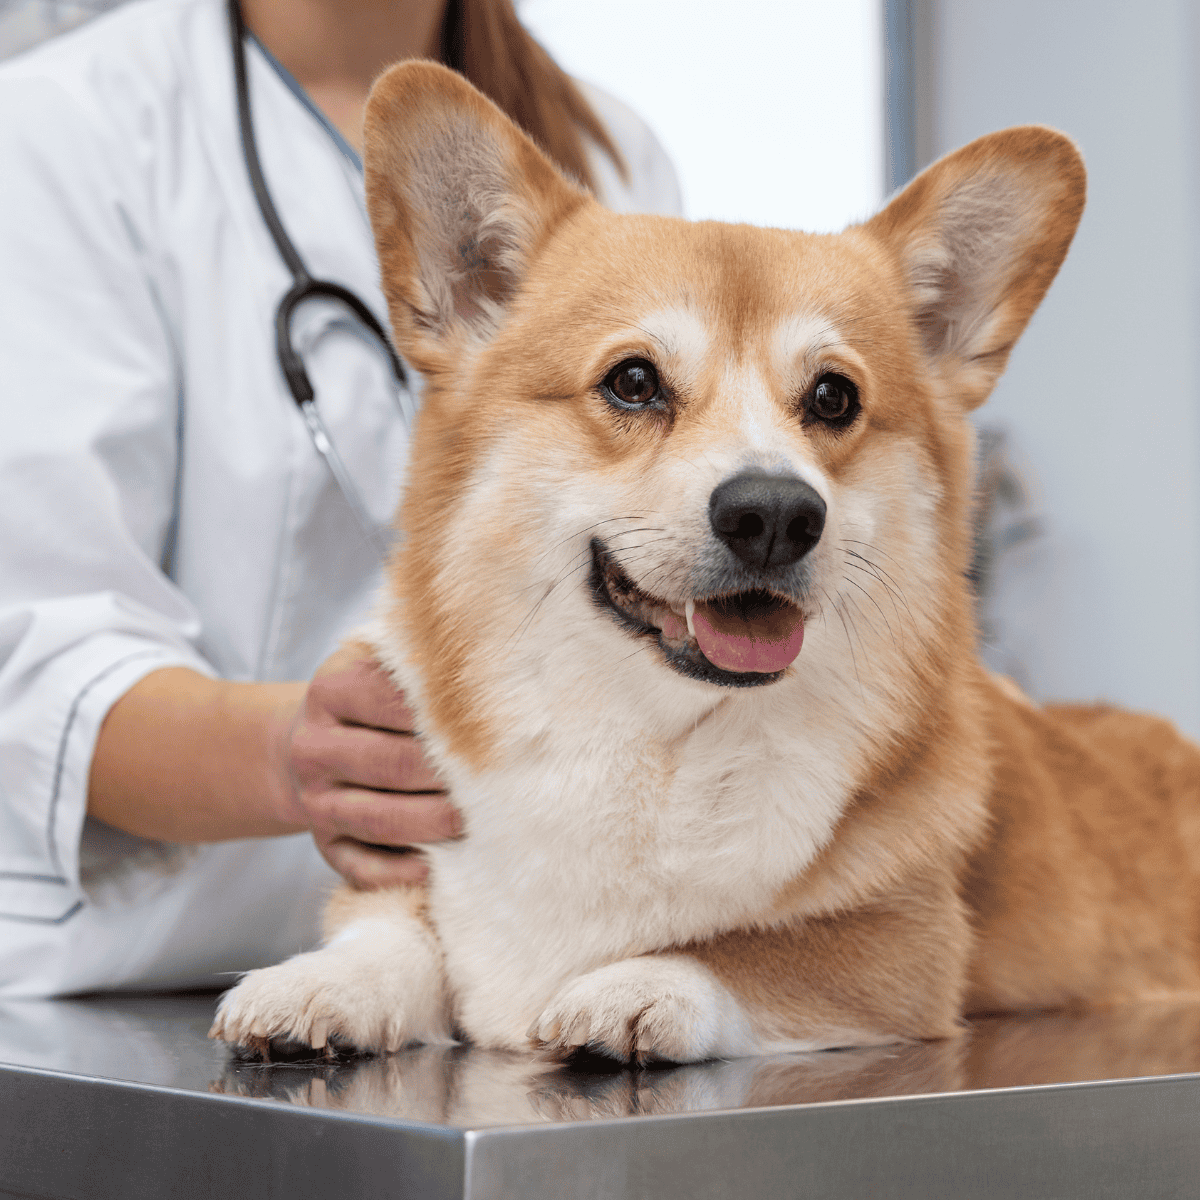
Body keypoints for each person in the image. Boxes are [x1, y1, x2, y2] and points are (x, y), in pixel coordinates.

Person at [0, 0, 681, 996]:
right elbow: (37, 663)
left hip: (497, 979)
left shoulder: (612, 155)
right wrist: (298, 756)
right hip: (139, 990)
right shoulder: (65, 130)